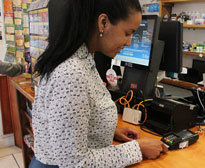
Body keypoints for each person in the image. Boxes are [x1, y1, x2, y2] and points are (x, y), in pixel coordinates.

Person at [30, 0, 168, 168]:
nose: (129, 42)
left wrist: (106, 130)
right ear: (103, 23)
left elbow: (71, 127)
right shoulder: (71, 73)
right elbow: (74, 163)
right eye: (127, 33)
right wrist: (137, 149)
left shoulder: (83, 58)